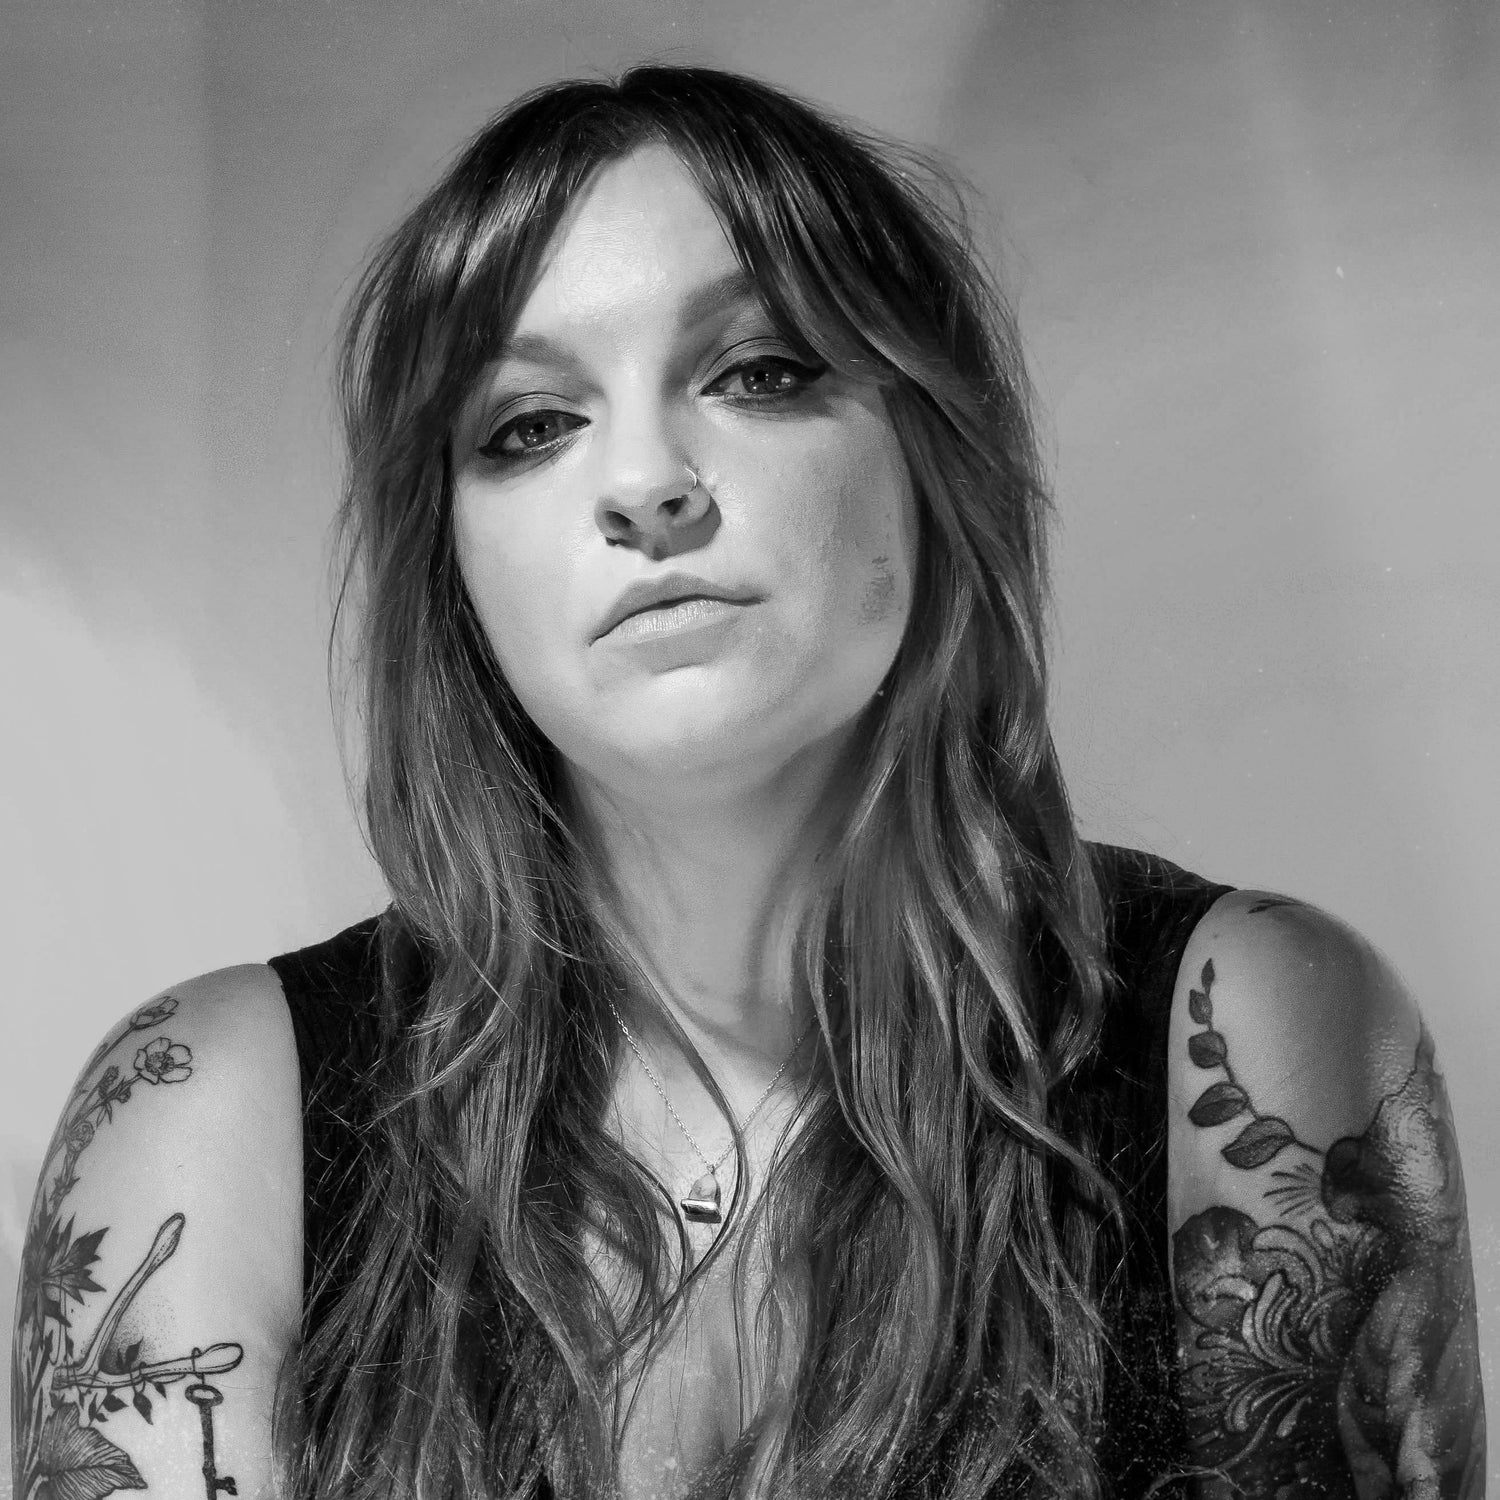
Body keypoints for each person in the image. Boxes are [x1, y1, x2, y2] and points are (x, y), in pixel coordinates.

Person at [10, 64, 1485, 1500]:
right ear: (452, 569)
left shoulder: (1236, 1029)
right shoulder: (207, 1112)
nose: (644, 482)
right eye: (529, 425)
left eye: (758, 371)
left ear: (932, 452)